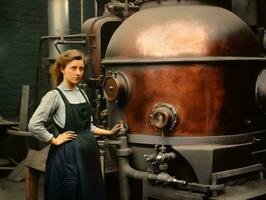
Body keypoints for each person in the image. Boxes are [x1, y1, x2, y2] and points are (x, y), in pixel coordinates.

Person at [28, 49, 121, 200]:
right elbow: (34, 124)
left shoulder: (82, 93)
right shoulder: (54, 96)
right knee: (70, 193)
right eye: (73, 68)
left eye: (81, 68)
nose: (78, 73)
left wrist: (109, 132)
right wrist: (53, 139)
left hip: (89, 155)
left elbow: (88, 127)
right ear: (62, 69)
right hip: (68, 157)